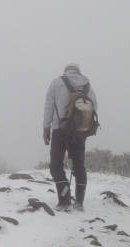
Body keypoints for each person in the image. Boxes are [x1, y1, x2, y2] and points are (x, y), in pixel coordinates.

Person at [43, 63, 97, 212]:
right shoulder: (87, 84)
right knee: (79, 166)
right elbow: (94, 107)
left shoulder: (57, 82)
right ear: (78, 71)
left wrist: (46, 128)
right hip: (80, 132)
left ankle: (64, 199)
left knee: (56, 166)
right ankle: (79, 202)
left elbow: (49, 105)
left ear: (66, 71)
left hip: (60, 130)